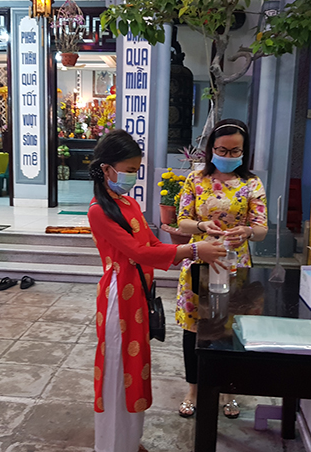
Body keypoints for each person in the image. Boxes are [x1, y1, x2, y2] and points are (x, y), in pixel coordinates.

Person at [87, 129, 227, 452]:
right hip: (118, 297)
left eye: (136, 169)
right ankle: (111, 445)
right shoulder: (99, 210)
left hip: (137, 295)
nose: (132, 176)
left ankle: (129, 440)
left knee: (134, 369)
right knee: (116, 372)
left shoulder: (128, 203)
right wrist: (192, 252)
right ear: (107, 169)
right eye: (128, 169)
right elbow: (138, 254)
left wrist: (186, 244)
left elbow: (149, 243)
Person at [175, 119, 269, 419]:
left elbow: (262, 227)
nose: (228, 156)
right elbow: (182, 221)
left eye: (234, 151)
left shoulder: (251, 183)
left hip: (235, 265)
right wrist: (202, 225)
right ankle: (194, 389)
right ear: (210, 149)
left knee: (229, 330)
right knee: (194, 329)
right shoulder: (195, 180)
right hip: (199, 261)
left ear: (244, 151)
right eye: (221, 150)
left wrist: (247, 232)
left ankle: (229, 391)